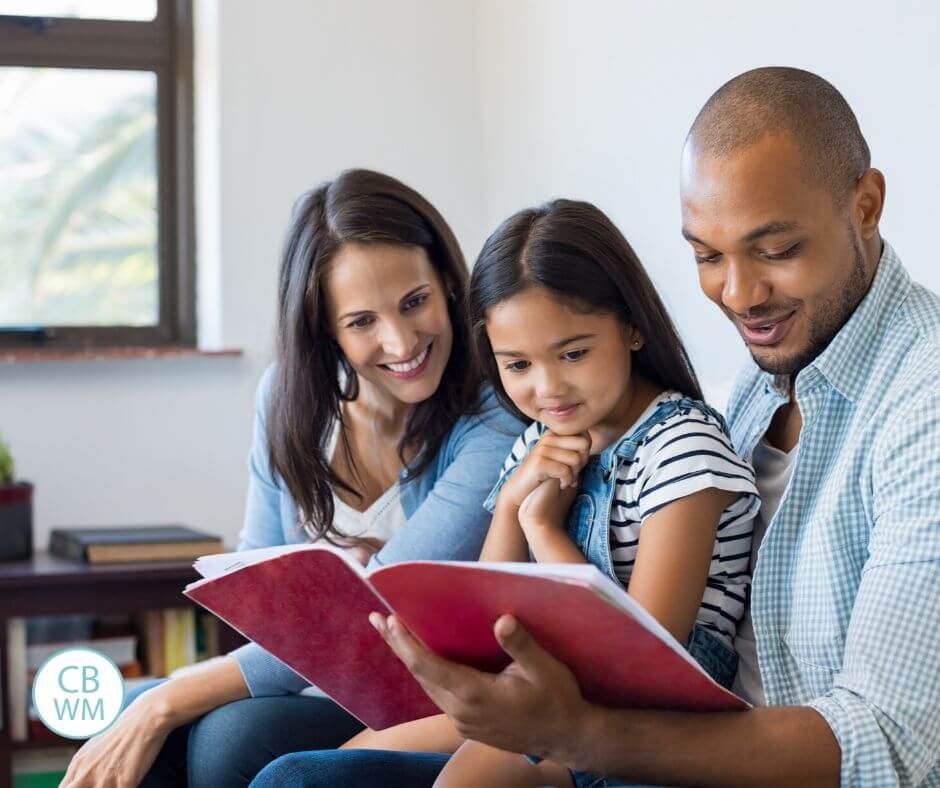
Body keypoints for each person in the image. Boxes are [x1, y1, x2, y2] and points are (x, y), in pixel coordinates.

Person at [251, 68, 940, 788]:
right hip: (606, 723)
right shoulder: (765, 374)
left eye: (775, 250)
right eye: (706, 256)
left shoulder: (918, 402)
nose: (738, 295)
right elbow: (493, 601)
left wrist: (574, 732)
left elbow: (885, 744)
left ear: (866, 205)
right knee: (288, 768)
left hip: (656, 738)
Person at [59, 169, 523, 788]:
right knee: (116, 718)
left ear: (446, 282)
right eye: (362, 321)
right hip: (302, 679)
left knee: (222, 740)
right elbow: (256, 588)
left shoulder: (493, 419)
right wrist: (157, 701)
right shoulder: (287, 398)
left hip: (422, 701)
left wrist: (167, 698)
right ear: (324, 327)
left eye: (415, 302)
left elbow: (369, 623)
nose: (401, 340)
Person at [334, 199, 760, 788]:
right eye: (517, 365)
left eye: (574, 353)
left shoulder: (682, 446)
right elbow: (486, 620)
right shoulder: (539, 440)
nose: (548, 387)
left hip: (654, 711)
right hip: (549, 681)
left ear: (632, 326)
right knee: (338, 759)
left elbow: (644, 653)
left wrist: (544, 530)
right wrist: (512, 503)